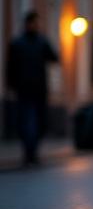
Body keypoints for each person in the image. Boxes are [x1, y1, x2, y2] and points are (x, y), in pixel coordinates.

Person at [5, 11, 58, 166]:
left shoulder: (40, 42)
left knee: (37, 121)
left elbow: (54, 57)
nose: (36, 25)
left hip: (37, 89)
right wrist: (12, 85)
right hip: (26, 89)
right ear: (29, 23)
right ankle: (30, 153)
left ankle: (32, 152)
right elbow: (11, 67)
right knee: (28, 121)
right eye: (35, 22)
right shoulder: (19, 44)